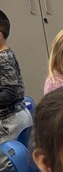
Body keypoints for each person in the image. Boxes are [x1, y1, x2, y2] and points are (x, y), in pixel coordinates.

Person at [0, 9, 34, 157]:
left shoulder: (3, 59)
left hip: (9, 124)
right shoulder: (6, 54)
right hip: (14, 118)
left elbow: (9, 92)